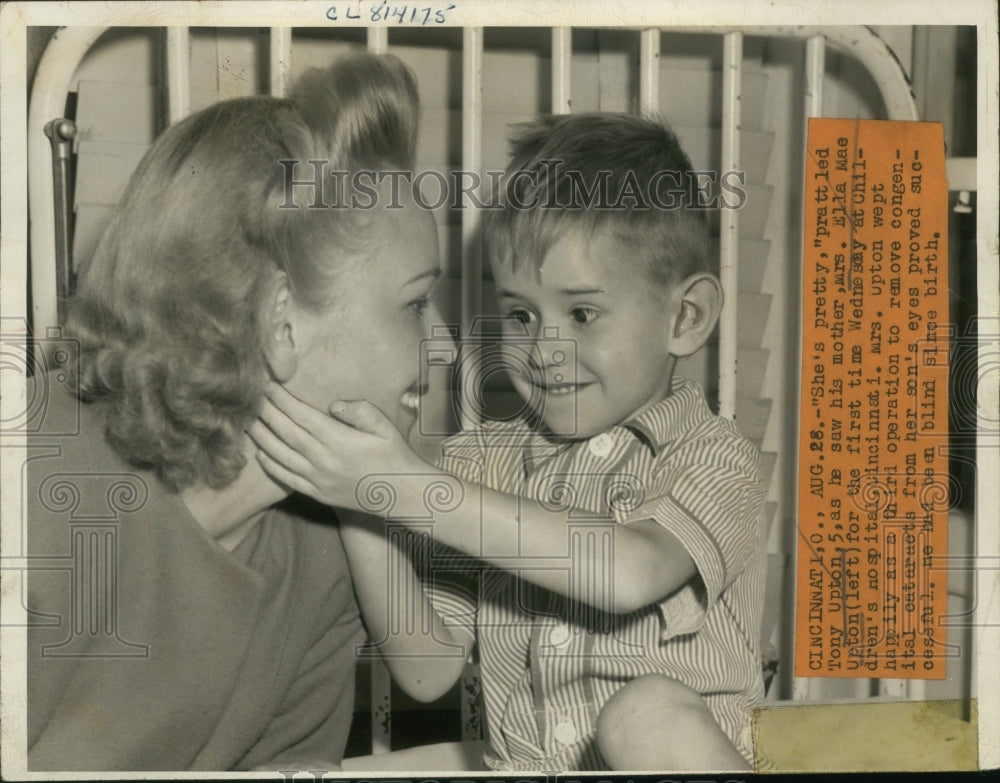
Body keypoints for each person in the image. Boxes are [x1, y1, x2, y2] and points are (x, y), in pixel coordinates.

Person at [251, 113, 767, 771]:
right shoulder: (485, 463)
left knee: (648, 715)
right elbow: (429, 666)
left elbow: (630, 571)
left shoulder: (714, 455)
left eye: (582, 313)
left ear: (686, 317)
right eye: (522, 314)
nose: (544, 349)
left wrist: (412, 486)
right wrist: (361, 496)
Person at [25, 52, 450, 771]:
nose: (443, 346)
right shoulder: (39, 485)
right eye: (415, 303)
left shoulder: (327, 551)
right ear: (283, 323)